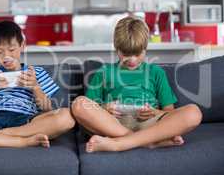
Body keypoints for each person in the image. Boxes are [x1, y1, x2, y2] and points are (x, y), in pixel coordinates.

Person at [72, 16, 202, 153]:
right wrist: (105, 108)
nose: (132, 60)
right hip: (113, 124)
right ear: (117, 48)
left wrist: (154, 112)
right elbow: (90, 107)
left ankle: (120, 144)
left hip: (150, 125)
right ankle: (145, 143)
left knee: (194, 112)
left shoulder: (156, 72)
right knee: (79, 104)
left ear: (145, 48)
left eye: (138, 53)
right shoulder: (104, 72)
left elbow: (169, 111)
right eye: (126, 54)